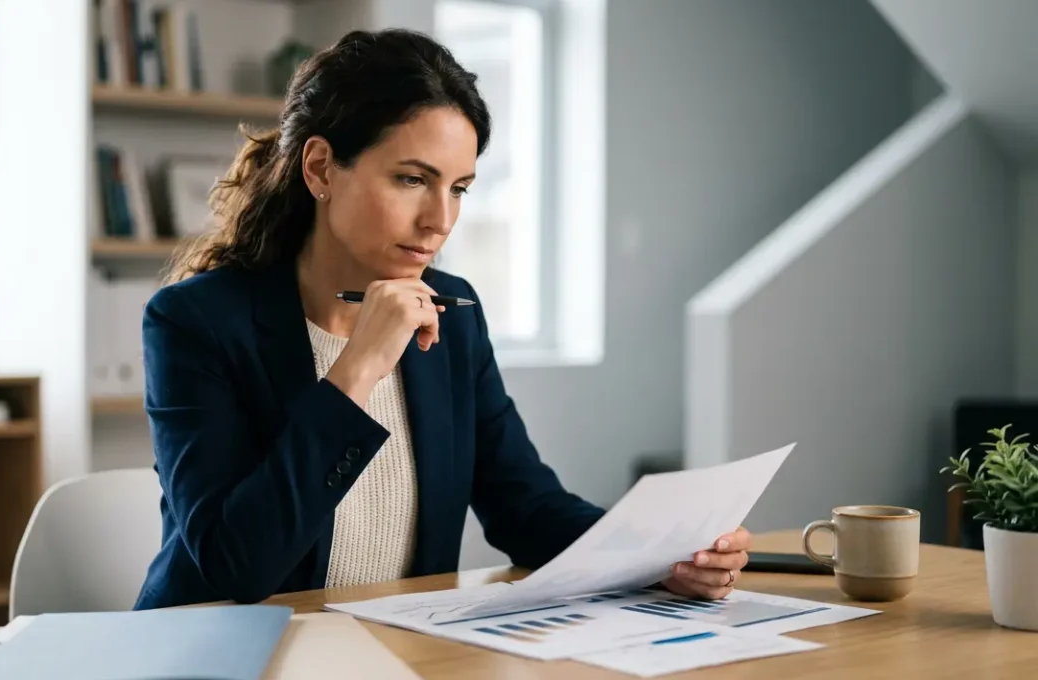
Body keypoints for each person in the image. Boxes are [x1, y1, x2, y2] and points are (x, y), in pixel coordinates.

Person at [132, 28, 750, 610]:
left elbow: (525, 507)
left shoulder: (454, 313)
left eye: (458, 188)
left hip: (392, 655)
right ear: (320, 168)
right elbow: (236, 566)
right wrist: (359, 368)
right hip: (223, 651)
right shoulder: (195, 321)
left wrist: (659, 556)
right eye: (411, 179)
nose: (440, 221)